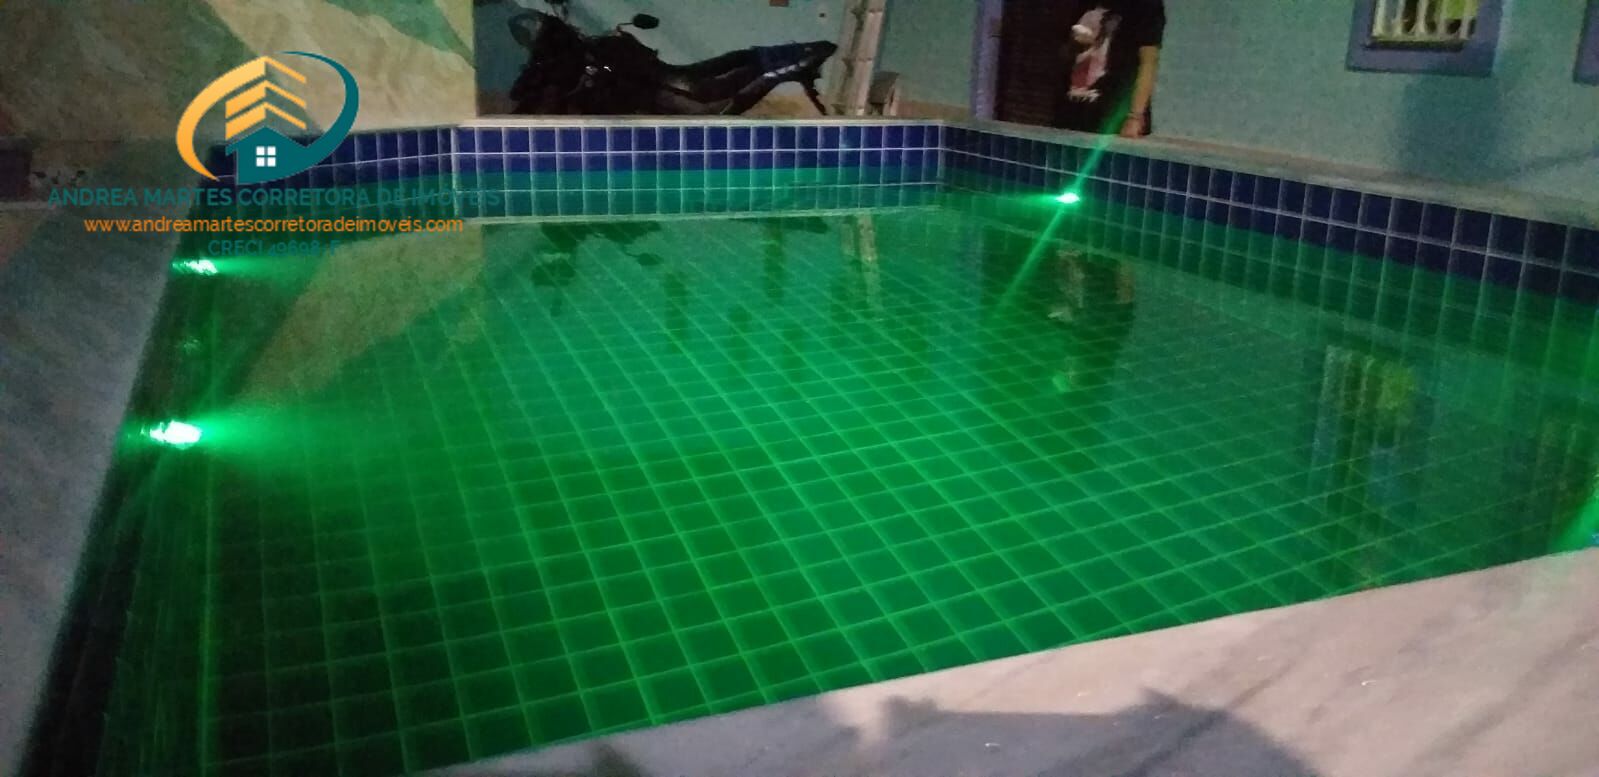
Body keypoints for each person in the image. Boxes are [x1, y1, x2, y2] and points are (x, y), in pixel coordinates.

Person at [1053, 0, 1166, 138]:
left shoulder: (1145, 6)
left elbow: (1148, 61)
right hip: (1071, 110)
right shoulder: (1085, 4)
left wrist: (1135, 116)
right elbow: (1065, 51)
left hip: (1112, 116)